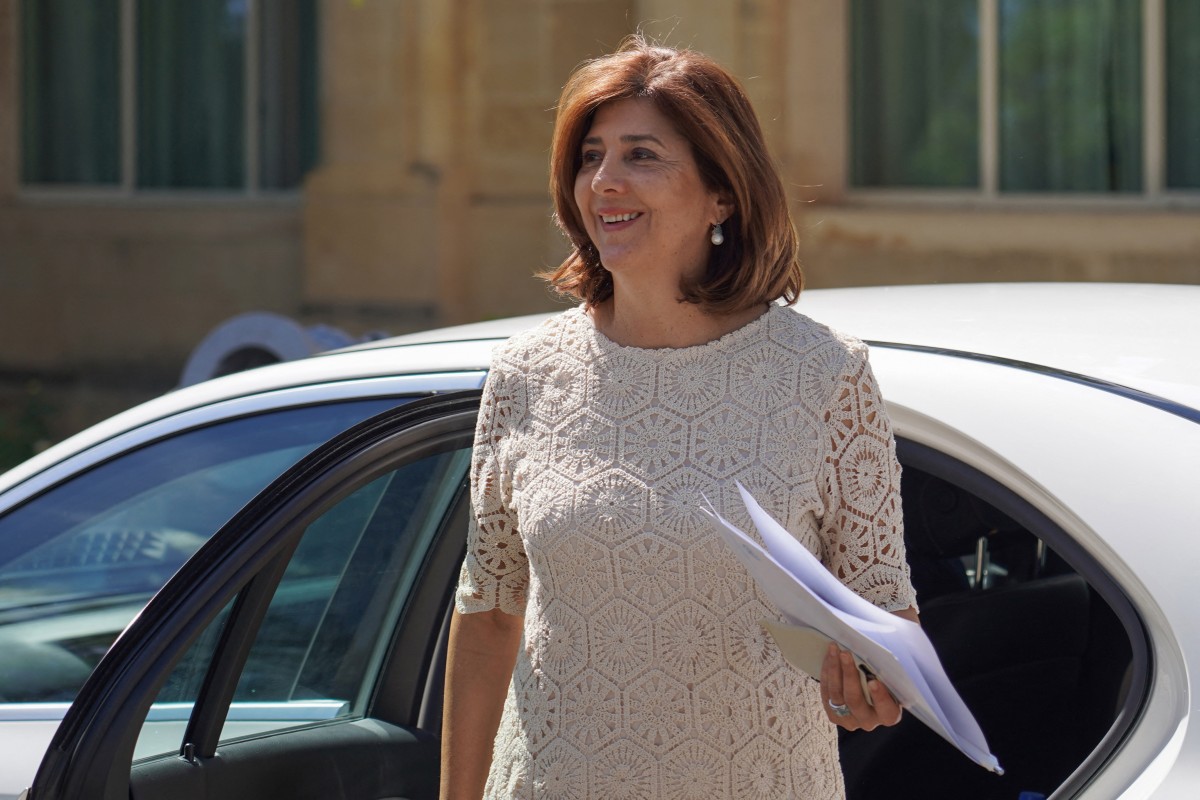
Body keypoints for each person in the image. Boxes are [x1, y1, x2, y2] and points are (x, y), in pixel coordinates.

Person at [440, 35, 918, 800]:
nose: (604, 181)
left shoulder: (823, 375)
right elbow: (490, 613)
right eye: (591, 156)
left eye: (641, 155)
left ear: (722, 193)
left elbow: (886, 622)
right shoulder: (525, 374)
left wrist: (871, 687)